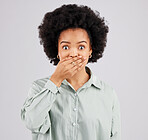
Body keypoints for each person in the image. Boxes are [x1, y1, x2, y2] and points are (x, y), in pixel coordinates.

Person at [20, 4, 121, 140]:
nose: (73, 54)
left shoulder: (108, 94)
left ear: (90, 50)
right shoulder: (39, 88)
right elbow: (32, 123)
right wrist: (55, 80)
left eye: (81, 46)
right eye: (66, 47)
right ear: (57, 50)